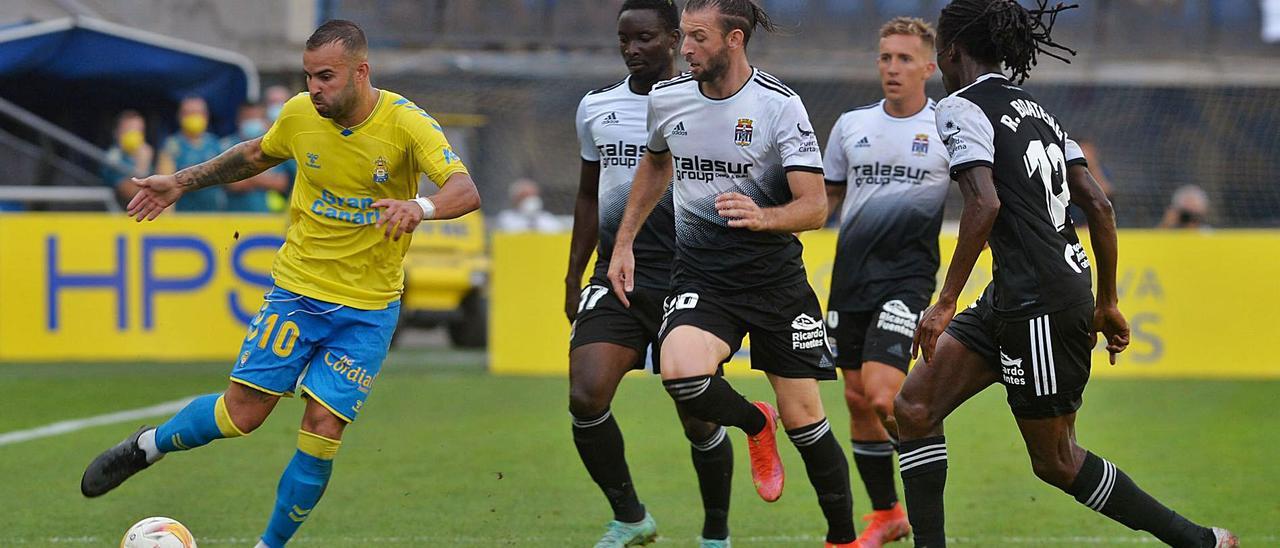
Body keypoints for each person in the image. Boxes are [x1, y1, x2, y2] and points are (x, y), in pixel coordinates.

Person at [79, 20, 481, 548]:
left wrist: (419, 206)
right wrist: (180, 180)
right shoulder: (297, 115)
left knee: (324, 427)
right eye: (309, 76)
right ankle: (148, 446)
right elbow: (253, 156)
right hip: (299, 292)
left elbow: (465, 189)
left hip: (369, 309)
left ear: (361, 72)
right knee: (240, 415)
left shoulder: (406, 124)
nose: (315, 87)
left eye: (327, 77)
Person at [894, 2, 1237, 547]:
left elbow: (984, 204)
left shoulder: (959, 108)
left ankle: (1201, 542)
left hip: (1041, 301)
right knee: (913, 407)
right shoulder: (1039, 111)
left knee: (1056, 460)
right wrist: (1106, 300)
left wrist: (945, 301)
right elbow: (1098, 206)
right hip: (1023, 290)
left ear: (950, 51)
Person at [609, 1, 857, 545]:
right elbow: (656, 163)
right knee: (680, 374)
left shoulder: (778, 106)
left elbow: (815, 206)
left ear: (735, 40)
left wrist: (764, 216)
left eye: (698, 37)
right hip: (703, 278)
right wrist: (624, 240)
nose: (686, 48)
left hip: (775, 285)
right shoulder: (668, 98)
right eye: (684, 37)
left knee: (808, 425)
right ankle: (753, 423)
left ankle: (843, 537)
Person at [566, 2, 733, 546]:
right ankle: (631, 516)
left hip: (689, 276)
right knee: (586, 395)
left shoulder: (706, 102)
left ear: (672, 40)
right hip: (616, 275)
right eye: (624, 40)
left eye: (644, 39)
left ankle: (715, 533)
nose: (633, 50)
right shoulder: (596, 107)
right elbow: (588, 196)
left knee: (699, 416)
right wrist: (573, 277)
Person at [821, 16, 949, 548]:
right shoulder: (851, 126)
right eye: (885, 57)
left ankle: (926, 463)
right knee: (854, 397)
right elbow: (824, 202)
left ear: (929, 66)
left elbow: (988, 200)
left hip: (909, 278)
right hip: (850, 277)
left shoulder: (949, 129)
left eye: (903, 58)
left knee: (881, 395)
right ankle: (887, 514)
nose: (892, 67)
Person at [156, 96, 227, 211]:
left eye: (198, 113)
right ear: (180, 117)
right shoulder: (172, 146)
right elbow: (165, 184)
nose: (194, 117)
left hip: (215, 215)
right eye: (189, 113)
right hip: (185, 216)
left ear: (206, 116)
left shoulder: (215, 144)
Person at [222, 103, 290, 212]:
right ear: (239, 120)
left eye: (256, 118)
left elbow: (281, 183)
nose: (252, 122)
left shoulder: (271, 145)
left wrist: (245, 176)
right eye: (248, 118)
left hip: (266, 216)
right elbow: (232, 184)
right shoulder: (227, 145)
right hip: (234, 216)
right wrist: (264, 178)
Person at [101, 110, 154, 203]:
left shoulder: (146, 153)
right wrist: (142, 165)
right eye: (129, 131)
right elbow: (129, 194)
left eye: (139, 131)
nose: (134, 136)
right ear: (116, 133)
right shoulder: (112, 157)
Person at [494, 178, 562, 232]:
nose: (530, 199)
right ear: (515, 199)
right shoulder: (505, 218)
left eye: (533, 195)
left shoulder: (548, 219)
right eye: (525, 196)